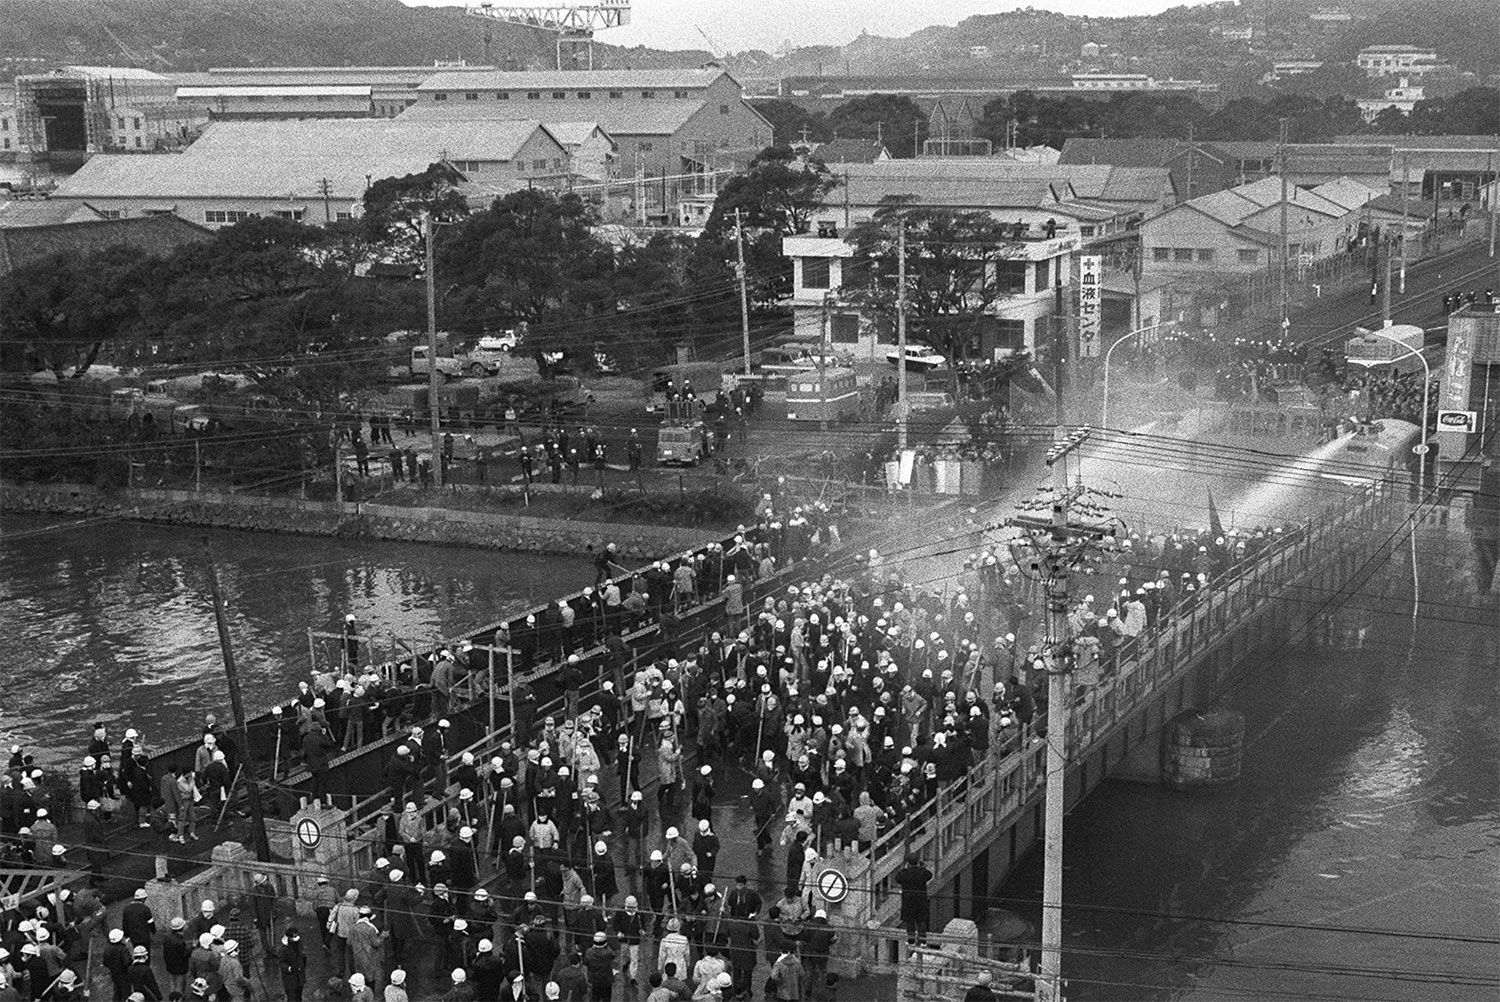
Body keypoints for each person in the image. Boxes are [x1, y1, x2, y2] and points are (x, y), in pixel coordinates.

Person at [895, 853, 933, 946]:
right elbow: (929, 875)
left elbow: (897, 878)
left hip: (908, 901)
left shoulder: (905, 873)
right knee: (921, 921)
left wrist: (904, 868)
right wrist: (922, 867)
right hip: (921, 900)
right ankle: (923, 941)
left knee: (910, 921)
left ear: (908, 863)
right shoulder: (922, 872)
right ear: (917, 861)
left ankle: (911, 940)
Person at [279, 928, 308, 1002]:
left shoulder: (298, 943)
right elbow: (281, 963)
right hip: (290, 980)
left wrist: (303, 962)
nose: (296, 938)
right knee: (292, 998)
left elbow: (301, 954)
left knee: (299, 997)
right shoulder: (284, 949)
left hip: (300, 977)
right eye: (294, 936)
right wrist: (289, 968)